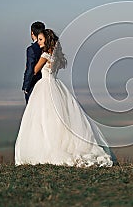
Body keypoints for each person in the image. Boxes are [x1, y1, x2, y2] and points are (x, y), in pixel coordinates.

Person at [15, 29, 115, 167]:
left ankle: (46, 148)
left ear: (47, 40)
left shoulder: (45, 55)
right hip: (56, 84)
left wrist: (29, 68)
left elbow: (34, 70)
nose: (38, 42)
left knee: (43, 118)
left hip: (44, 86)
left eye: (41, 40)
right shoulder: (57, 57)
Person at [22, 21, 45, 104]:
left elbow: (30, 69)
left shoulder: (31, 49)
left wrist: (26, 87)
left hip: (34, 84)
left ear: (32, 32)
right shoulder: (49, 48)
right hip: (47, 84)